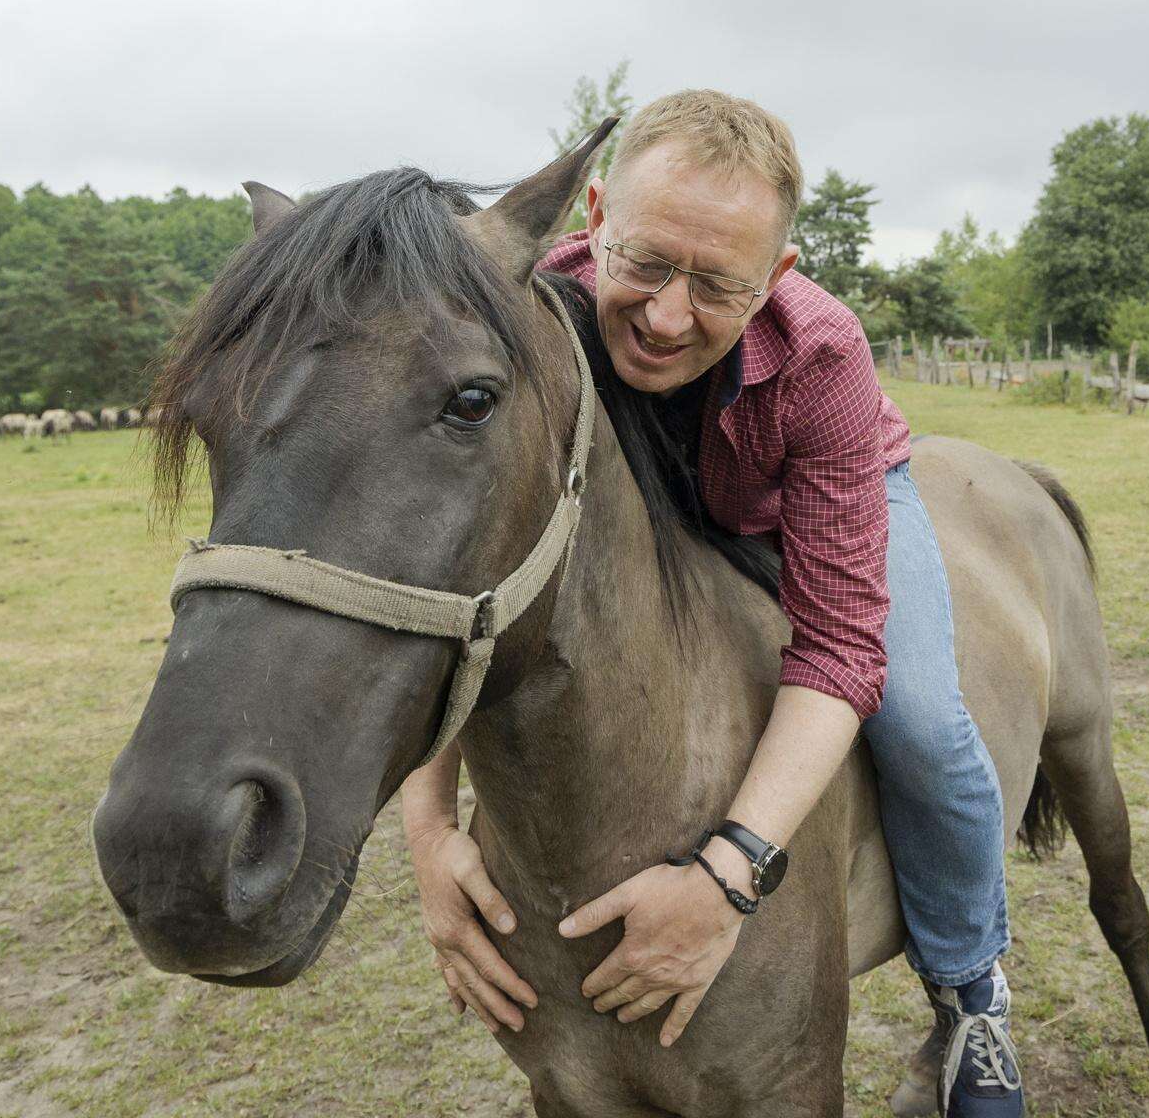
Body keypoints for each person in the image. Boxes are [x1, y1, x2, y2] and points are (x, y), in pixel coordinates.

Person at [402, 89, 1022, 1115]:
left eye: (718, 285)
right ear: (594, 217)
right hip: (662, 510)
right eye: (643, 263)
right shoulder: (526, 320)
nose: (666, 316)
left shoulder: (822, 354)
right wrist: (427, 831)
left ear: (776, 275)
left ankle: (970, 990)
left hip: (813, 494)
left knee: (917, 711)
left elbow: (837, 650)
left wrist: (729, 873)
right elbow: (467, 578)